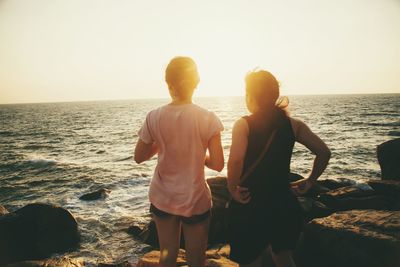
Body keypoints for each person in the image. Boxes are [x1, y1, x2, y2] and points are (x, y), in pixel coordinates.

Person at [227, 70, 331, 267]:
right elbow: (324, 152)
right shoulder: (293, 125)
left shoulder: (243, 124)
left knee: (250, 261)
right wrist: (309, 181)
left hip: (251, 203)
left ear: (251, 95)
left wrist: (232, 189)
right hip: (283, 203)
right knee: (283, 258)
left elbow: (235, 161)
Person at [134, 56, 224, 267]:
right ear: (196, 82)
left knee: (167, 254)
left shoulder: (154, 117)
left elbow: (139, 157)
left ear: (168, 84)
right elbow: (218, 164)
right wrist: (197, 155)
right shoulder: (208, 118)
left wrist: (160, 143)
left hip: (163, 195)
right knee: (195, 259)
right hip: (195, 198)